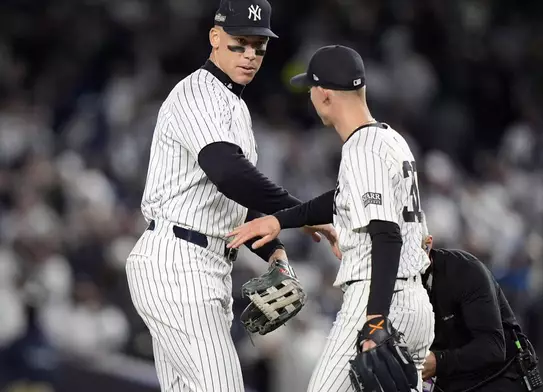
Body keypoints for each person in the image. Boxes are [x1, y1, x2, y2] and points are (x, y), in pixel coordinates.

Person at [125, 1, 337, 391]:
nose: (250, 55)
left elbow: (232, 202)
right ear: (215, 38)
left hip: (207, 264)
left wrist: (273, 250)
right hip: (177, 262)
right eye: (240, 44)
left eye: (259, 46)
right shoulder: (197, 92)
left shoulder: (234, 105)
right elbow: (227, 172)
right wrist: (300, 212)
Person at [227, 44, 434, 392]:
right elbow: (339, 200)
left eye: (310, 89)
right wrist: (280, 220)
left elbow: (386, 235)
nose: (309, 97)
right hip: (415, 308)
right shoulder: (391, 139)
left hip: (377, 300)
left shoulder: (361, 148)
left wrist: (375, 321)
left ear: (324, 95)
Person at [421, 236, 540, 392]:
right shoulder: (391, 286)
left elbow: (492, 347)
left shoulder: (464, 270)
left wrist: (439, 361)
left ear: (428, 244)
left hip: (496, 379)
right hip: (445, 382)